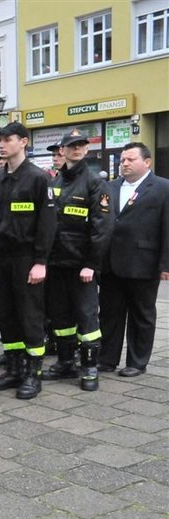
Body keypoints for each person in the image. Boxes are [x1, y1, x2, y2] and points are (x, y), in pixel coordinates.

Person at [0, 122, 56, 400]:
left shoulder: (38, 178)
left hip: (26, 258)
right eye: (0, 140)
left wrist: (41, 261)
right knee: (6, 315)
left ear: (23, 142)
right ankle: (13, 368)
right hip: (0, 258)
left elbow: (47, 224)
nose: (1, 144)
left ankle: (33, 373)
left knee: (30, 316)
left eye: (8, 139)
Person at [44, 129, 114, 391]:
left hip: (81, 266)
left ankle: (89, 367)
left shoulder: (95, 183)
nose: (76, 149)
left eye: (81, 145)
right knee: (60, 317)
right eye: (72, 145)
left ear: (86, 150)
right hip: (56, 263)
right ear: (62, 150)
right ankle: (65, 362)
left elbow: (102, 228)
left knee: (87, 318)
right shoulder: (56, 182)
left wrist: (91, 264)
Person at [99, 142, 168, 376]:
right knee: (109, 314)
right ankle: (107, 359)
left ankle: (137, 362)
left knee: (141, 315)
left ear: (147, 162)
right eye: (122, 160)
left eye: (130, 159)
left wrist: (165, 264)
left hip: (143, 262)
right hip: (110, 263)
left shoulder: (162, 188)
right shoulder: (110, 187)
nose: (125, 164)